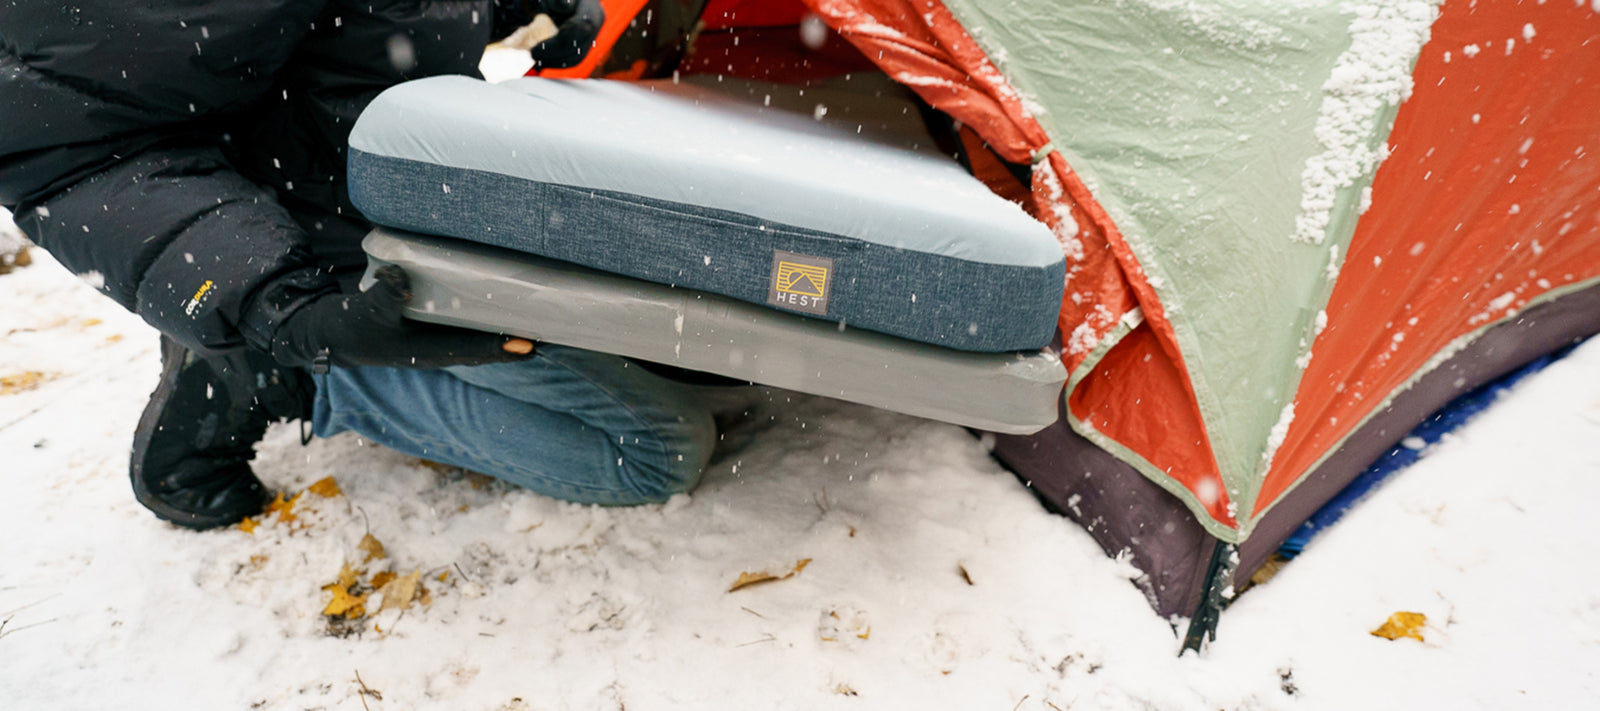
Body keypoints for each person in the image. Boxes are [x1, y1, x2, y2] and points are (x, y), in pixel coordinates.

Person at [0, 1, 723, 529]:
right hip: (334, 265)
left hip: (436, 203)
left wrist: (532, 6)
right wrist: (274, 302)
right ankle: (303, 381)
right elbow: (72, 150)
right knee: (658, 452)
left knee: (700, 335)